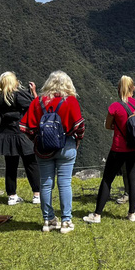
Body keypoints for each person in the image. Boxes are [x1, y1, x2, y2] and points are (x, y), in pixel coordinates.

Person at [20, 71, 85, 233]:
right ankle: (66, 221)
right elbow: (80, 126)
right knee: (64, 183)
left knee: (46, 184)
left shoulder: (38, 101)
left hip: (43, 149)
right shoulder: (70, 101)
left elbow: (25, 127)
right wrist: (77, 140)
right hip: (66, 146)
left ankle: (48, 221)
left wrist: (36, 140)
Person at [84, 75, 135, 224]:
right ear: (133, 89)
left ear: (119, 89)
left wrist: (118, 126)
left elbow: (107, 125)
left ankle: (97, 215)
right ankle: (131, 214)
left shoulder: (115, 107)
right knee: (133, 179)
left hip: (119, 148)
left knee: (107, 179)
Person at [0, 71, 41, 205]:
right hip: (21, 133)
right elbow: (35, 106)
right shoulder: (18, 95)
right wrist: (33, 91)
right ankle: (37, 194)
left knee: (11, 165)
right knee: (31, 164)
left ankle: (12, 196)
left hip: (6, 133)